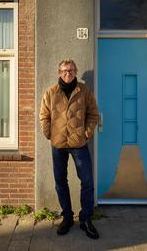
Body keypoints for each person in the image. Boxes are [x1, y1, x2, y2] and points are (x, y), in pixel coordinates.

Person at [39, 59, 100, 239]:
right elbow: (44, 115)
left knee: (87, 181)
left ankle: (86, 219)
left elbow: (93, 114)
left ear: (76, 72)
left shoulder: (84, 91)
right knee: (60, 181)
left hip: (78, 144)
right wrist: (49, 134)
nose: (68, 73)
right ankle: (67, 217)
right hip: (58, 145)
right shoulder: (51, 92)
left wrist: (87, 134)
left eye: (72, 70)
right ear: (59, 73)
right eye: (65, 70)